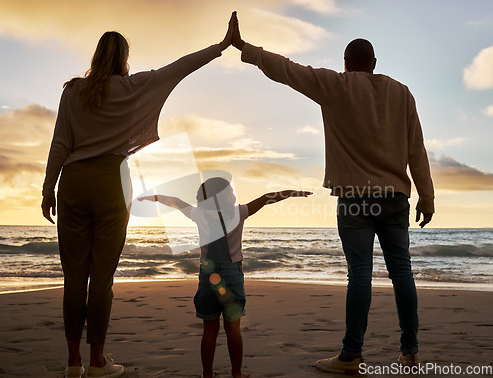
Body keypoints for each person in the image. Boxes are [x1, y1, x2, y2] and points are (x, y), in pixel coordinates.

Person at [230, 13, 435, 375]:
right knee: (402, 273)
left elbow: (288, 70)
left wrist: (246, 48)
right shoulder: (402, 93)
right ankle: (410, 352)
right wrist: (427, 196)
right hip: (394, 198)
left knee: (360, 274)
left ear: (346, 64)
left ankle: (351, 355)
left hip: (356, 198)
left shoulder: (335, 85)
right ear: (373, 65)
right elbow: (416, 149)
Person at [41, 13, 238, 378]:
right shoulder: (134, 88)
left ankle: (73, 362)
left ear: (97, 56)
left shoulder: (72, 91)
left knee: (74, 278)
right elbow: (180, 68)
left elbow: (59, 145)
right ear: (123, 58)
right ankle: (98, 360)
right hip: (112, 184)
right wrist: (220, 46)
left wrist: (47, 188)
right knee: (102, 279)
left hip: (74, 182)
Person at [139, 177, 312, 378]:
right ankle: (236, 373)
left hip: (208, 275)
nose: (233, 194)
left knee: (210, 329)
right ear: (223, 196)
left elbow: (175, 201)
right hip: (232, 274)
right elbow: (266, 198)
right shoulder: (239, 212)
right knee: (233, 329)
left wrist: (153, 197)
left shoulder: (199, 213)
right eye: (229, 191)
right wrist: (291, 192)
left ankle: (207, 374)